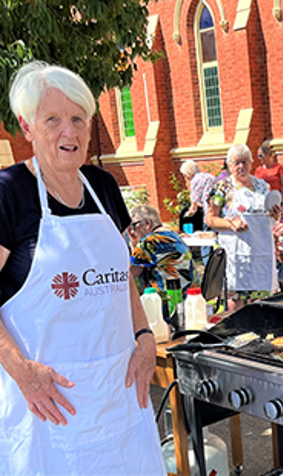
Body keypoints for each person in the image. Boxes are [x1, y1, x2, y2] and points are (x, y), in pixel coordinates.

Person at [0, 62, 164, 473]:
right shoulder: (8, 194)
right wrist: (22, 372)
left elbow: (119, 275)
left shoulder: (104, 186)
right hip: (47, 411)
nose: (68, 132)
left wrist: (144, 337)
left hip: (120, 400)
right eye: (52, 119)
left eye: (78, 118)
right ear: (27, 127)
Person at [206, 144, 279, 309]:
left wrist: (274, 214)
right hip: (236, 254)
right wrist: (231, 224)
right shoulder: (221, 188)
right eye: (236, 163)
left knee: (261, 303)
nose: (241, 167)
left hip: (261, 252)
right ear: (229, 165)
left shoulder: (262, 187)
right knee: (236, 301)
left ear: (251, 163)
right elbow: (210, 219)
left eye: (245, 162)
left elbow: (269, 217)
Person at [128, 205, 200, 296]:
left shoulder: (149, 242)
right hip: (190, 297)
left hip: (165, 302)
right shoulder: (173, 235)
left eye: (133, 226)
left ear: (147, 223)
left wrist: (133, 243)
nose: (132, 231)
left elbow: (128, 275)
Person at [181, 159, 216, 262]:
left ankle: (208, 269)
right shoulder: (210, 177)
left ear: (189, 173)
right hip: (218, 213)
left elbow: (194, 204)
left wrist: (187, 215)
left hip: (208, 215)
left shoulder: (195, 180)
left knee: (206, 244)